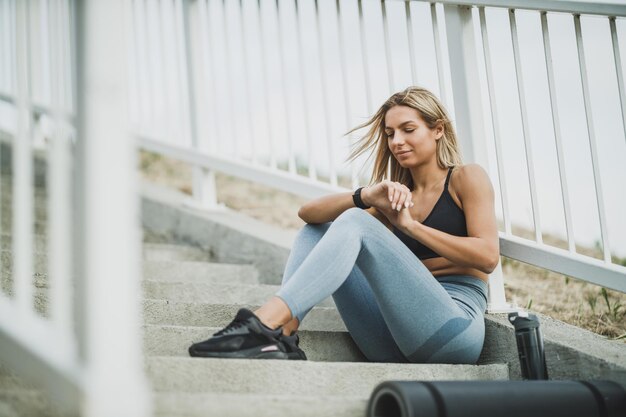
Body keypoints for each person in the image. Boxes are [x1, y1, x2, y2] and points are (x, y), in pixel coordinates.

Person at [188, 86, 499, 364]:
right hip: (388, 342)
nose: (397, 141)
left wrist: (411, 227)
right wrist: (365, 195)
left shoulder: (465, 178)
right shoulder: (394, 198)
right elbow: (308, 214)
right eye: (390, 134)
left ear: (438, 130)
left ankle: (262, 323)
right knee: (319, 229)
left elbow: (487, 257)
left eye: (408, 130)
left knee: (354, 222)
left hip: (452, 332)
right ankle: (282, 332)